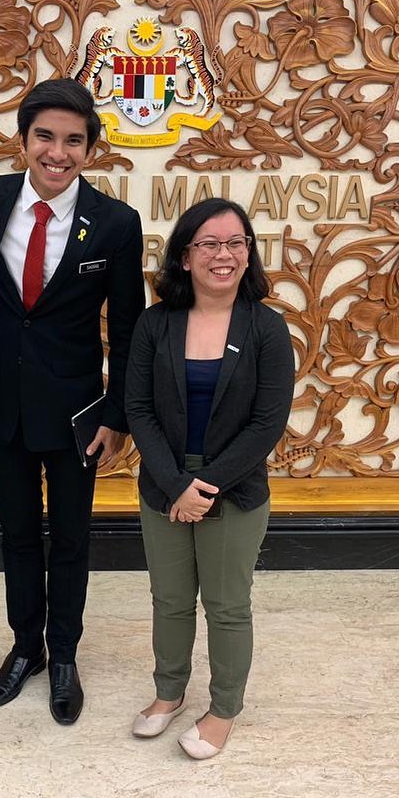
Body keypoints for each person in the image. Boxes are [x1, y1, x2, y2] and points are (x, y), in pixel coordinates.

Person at [0, 78, 145, 725]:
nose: (56, 152)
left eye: (72, 140)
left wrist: (116, 415)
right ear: (23, 140)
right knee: (15, 537)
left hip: (76, 416)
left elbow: (126, 329)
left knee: (69, 539)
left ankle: (62, 653)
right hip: (2, 405)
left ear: (89, 149)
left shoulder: (116, 223)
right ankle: (23, 649)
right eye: (45, 137)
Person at [124, 198, 294, 759]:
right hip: (164, 487)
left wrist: (206, 487)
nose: (223, 255)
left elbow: (267, 423)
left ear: (248, 253)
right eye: (209, 244)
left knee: (226, 605)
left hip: (235, 489)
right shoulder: (155, 323)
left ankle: (223, 709)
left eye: (235, 243)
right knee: (169, 600)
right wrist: (176, 486)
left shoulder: (267, 328)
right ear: (185, 256)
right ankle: (168, 693)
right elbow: (139, 409)